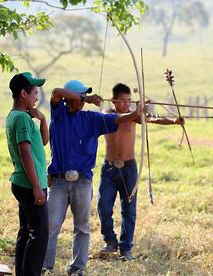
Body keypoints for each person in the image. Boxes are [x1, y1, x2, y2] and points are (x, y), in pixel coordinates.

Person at [42, 80, 143, 276]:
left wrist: (136, 113)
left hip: (82, 181)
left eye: (83, 96)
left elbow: (119, 119)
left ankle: (77, 268)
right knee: (51, 225)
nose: (81, 101)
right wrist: (86, 98)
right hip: (59, 181)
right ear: (69, 97)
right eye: (78, 96)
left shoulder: (91, 119)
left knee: (82, 227)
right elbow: (55, 92)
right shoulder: (59, 113)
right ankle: (46, 267)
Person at [98, 83, 184, 261]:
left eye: (130, 101)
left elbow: (154, 118)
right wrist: (136, 112)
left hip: (129, 169)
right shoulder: (108, 114)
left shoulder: (134, 117)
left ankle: (126, 248)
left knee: (129, 210)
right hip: (109, 169)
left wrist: (174, 121)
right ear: (113, 100)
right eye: (123, 101)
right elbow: (121, 118)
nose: (128, 104)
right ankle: (110, 241)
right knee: (104, 207)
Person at [6, 72, 49, 276]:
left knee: (27, 231)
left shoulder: (16, 116)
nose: (36, 98)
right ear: (23, 93)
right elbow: (25, 153)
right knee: (39, 235)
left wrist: (42, 118)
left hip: (24, 182)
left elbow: (43, 142)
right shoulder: (22, 118)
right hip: (30, 184)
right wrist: (36, 187)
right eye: (34, 93)